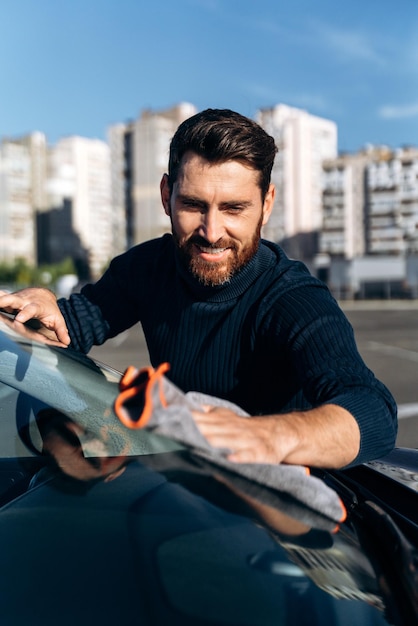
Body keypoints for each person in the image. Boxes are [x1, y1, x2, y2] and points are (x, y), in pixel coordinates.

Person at [0, 109, 397, 469]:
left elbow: (372, 409)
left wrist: (266, 436)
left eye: (234, 208)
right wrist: (43, 306)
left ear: (267, 204)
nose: (211, 232)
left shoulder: (293, 298)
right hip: (177, 489)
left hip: (274, 523)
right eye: (193, 204)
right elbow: (69, 327)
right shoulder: (146, 268)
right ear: (166, 196)